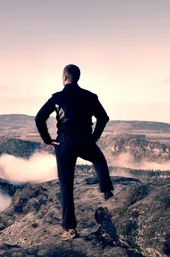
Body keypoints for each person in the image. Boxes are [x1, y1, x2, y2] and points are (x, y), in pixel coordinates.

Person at [35, 64, 114, 240]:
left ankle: (70, 229)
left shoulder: (57, 97)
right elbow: (104, 118)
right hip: (86, 140)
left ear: (64, 78)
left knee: (66, 185)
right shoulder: (90, 97)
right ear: (77, 78)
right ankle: (107, 192)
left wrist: (47, 140)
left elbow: (39, 118)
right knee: (99, 161)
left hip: (64, 144)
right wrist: (94, 136)